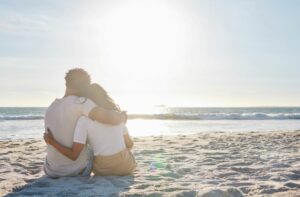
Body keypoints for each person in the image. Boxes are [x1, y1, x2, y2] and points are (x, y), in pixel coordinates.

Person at [43, 68, 127, 177]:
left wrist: (52, 142)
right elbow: (109, 118)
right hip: (77, 170)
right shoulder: (82, 103)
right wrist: (122, 116)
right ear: (86, 86)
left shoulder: (51, 107)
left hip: (50, 170)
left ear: (66, 82)